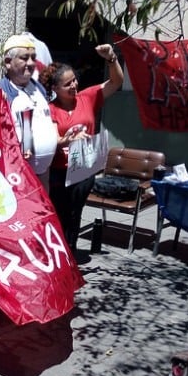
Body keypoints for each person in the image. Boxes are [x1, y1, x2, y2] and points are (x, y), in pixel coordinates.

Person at [39, 44, 124, 254]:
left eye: (74, 79)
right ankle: (57, 253)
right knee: (60, 212)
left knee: (75, 212)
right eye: (67, 84)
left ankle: (69, 252)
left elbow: (117, 82)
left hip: (84, 167)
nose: (74, 85)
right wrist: (67, 140)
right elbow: (54, 140)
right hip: (60, 169)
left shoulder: (87, 97)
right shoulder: (49, 110)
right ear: (55, 89)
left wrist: (112, 58)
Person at [0, 34, 59, 191]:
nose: (31, 63)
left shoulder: (38, 87)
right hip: (16, 175)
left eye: (33, 57)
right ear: (8, 62)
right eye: (24, 58)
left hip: (43, 173)